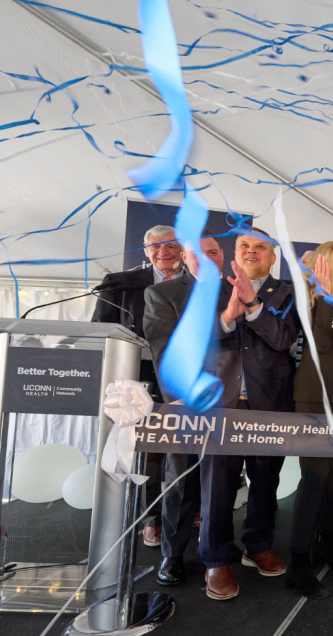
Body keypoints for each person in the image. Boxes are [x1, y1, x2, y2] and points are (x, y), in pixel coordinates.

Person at [202, 227, 299, 601]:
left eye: (261, 247)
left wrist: (254, 305)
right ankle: (216, 559)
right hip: (221, 404)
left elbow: (284, 339)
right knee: (218, 486)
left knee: (265, 480)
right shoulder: (209, 289)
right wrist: (229, 314)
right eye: (245, 245)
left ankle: (257, 546)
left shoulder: (289, 293)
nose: (252, 251)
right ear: (234, 253)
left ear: (273, 257)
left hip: (269, 403)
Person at [94, 224, 184, 549]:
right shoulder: (120, 284)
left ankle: (187, 512)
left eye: (171, 245)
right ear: (145, 250)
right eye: (155, 246)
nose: (163, 252)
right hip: (137, 381)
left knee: (184, 453)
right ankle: (151, 519)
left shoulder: (199, 285)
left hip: (185, 384)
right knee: (146, 456)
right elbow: (100, 331)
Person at [143, 231, 225, 586]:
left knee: (222, 483)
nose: (206, 258)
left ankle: (218, 554)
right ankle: (173, 555)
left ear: (223, 256)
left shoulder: (239, 291)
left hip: (237, 405)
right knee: (181, 480)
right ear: (186, 259)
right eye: (197, 253)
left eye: (214, 252)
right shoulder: (162, 294)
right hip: (187, 405)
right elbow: (164, 353)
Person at [286, 242, 333, 599]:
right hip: (315, 397)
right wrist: (322, 290)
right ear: (324, 267)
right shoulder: (311, 296)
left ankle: (325, 542)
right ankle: (298, 561)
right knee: (315, 478)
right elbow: (320, 338)